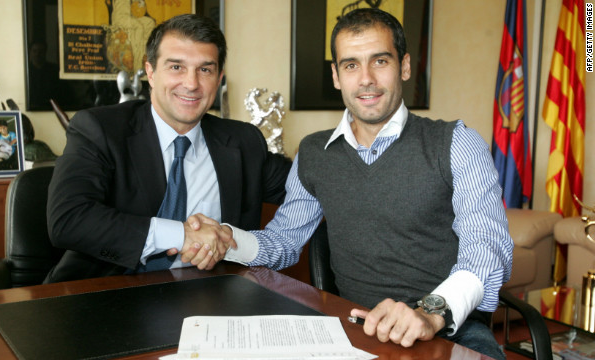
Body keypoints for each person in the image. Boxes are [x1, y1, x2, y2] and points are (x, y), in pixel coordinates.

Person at [188, 8, 512, 360]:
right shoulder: (314, 152)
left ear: (404, 66)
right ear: (337, 75)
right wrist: (228, 240)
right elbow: (284, 242)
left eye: (380, 61)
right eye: (351, 65)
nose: (366, 79)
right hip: (352, 330)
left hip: (450, 330)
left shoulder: (456, 143)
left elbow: (487, 248)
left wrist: (430, 312)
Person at [44, 14, 291, 283]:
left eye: (205, 70)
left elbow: (312, 184)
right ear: (150, 72)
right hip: (106, 296)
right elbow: (68, 219)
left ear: (219, 78)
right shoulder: (100, 130)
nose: (191, 84)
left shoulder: (243, 142)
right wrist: (181, 235)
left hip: (209, 299)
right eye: (176, 67)